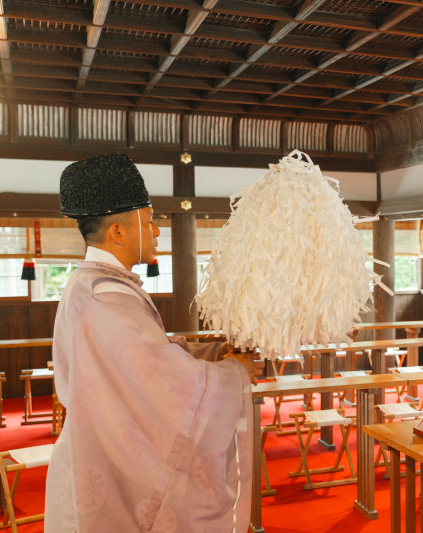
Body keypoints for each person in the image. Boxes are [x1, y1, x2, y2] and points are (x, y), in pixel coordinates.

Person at [45, 153, 265, 532]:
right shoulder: (102, 297)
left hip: (99, 448)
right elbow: (160, 382)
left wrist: (213, 352)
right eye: (149, 222)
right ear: (118, 231)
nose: (158, 231)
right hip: (107, 463)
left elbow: (149, 355)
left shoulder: (96, 286)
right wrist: (233, 374)